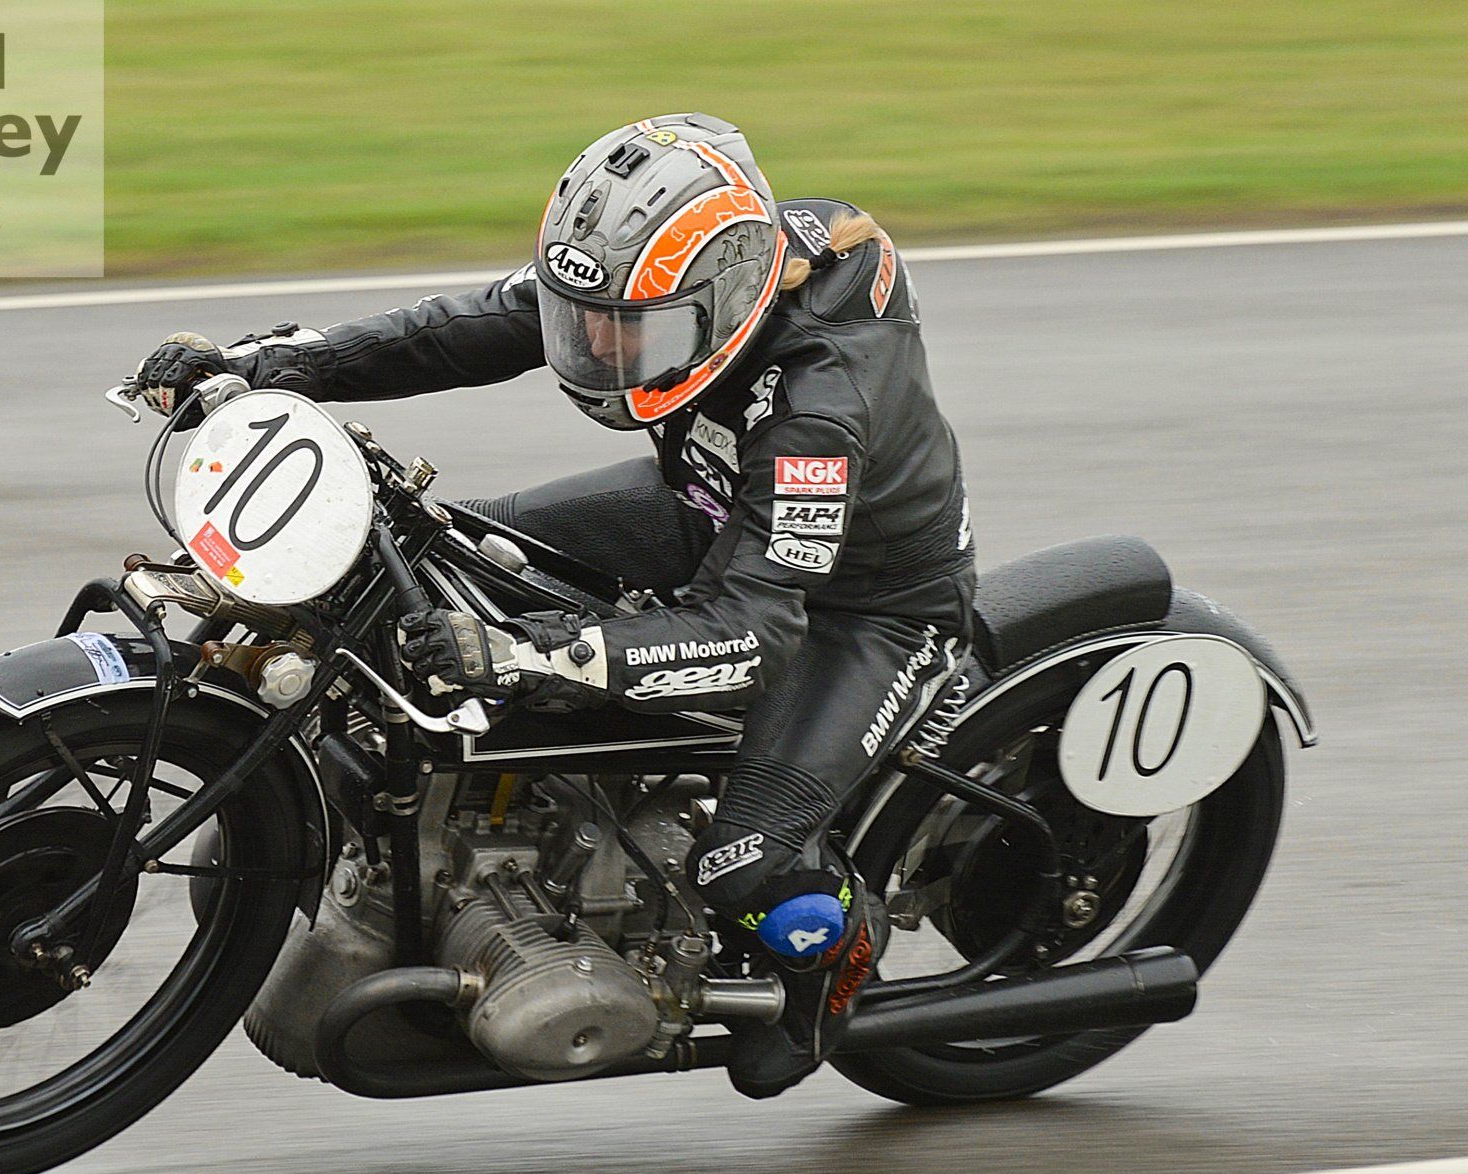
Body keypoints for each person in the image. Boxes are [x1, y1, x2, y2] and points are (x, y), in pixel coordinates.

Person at [135, 113, 975, 1099]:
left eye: (632, 333)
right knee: (420, 557)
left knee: (746, 864)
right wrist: (275, 366)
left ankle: (828, 963)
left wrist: (530, 654)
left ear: (727, 304)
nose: (602, 351)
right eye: (590, 324)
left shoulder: (815, 410)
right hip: (703, 508)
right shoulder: (671, 274)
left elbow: (754, 633)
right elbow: (465, 328)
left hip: (860, 606)